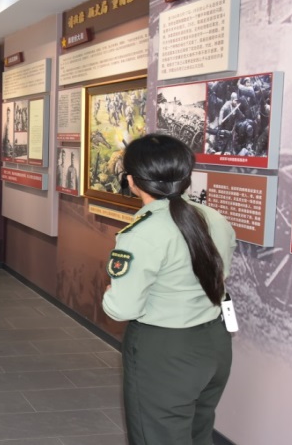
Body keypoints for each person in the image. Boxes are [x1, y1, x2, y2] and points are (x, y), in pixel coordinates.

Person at [101, 134, 236, 445]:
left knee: (157, 436)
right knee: (199, 432)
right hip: (215, 342)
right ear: (185, 176)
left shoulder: (142, 233)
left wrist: (111, 291)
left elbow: (121, 308)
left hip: (165, 350)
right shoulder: (215, 219)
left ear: (132, 180)